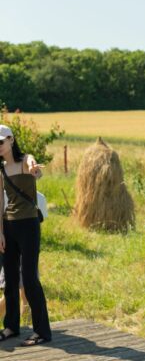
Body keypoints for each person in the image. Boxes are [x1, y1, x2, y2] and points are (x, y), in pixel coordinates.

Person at [0, 124, 52, 346]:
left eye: (1, 141)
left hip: (29, 225)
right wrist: (0, 233)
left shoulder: (25, 160)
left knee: (30, 278)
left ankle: (42, 331)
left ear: (11, 140)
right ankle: (11, 326)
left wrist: (34, 169)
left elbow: (34, 167)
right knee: (10, 280)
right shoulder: (0, 168)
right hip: (8, 226)